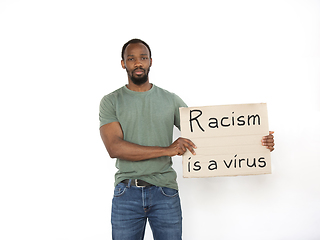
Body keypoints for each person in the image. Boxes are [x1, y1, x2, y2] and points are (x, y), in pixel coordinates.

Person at [99, 38, 275, 240]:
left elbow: (205, 133)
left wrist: (256, 142)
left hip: (165, 191)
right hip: (126, 193)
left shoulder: (170, 99)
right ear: (123, 63)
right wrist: (167, 150)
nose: (138, 63)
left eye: (143, 58)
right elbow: (115, 148)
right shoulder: (111, 101)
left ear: (151, 62)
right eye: (131, 59)